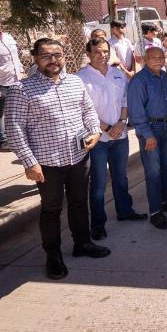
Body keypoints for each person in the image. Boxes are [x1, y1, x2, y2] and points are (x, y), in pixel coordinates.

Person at [5, 38, 108, 279]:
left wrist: (94, 131)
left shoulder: (74, 82)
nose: (53, 60)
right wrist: (30, 162)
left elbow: (88, 111)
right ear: (35, 58)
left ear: (64, 57)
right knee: (51, 210)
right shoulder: (22, 90)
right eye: (46, 55)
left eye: (58, 55)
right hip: (46, 164)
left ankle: (82, 243)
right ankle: (53, 255)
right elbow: (14, 129)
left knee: (79, 203)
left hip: (78, 157)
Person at [77, 38, 147, 241]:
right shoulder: (81, 78)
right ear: (89, 54)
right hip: (98, 138)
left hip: (120, 134)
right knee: (98, 183)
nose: (103, 55)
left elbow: (126, 100)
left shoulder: (117, 73)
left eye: (106, 51)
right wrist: (107, 127)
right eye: (97, 52)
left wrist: (121, 122)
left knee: (121, 177)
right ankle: (98, 224)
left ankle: (125, 211)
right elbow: (84, 110)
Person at [128, 47, 167, 231]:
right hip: (150, 130)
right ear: (145, 59)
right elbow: (136, 111)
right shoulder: (139, 81)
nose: (158, 60)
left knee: (166, 166)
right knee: (153, 172)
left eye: (161, 57)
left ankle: (166, 200)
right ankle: (155, 212)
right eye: (154, 57)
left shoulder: (164, 76)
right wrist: (147, 135)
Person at [0, 22, 23, 149]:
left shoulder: (8, 37)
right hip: (1, 83)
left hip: (16, 79)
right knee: (1, 112)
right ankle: (3, 140)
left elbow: (16, 56)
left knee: (17, 109)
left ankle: (16, 137)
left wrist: (21, 69)